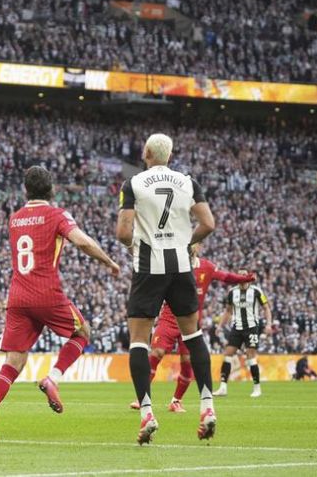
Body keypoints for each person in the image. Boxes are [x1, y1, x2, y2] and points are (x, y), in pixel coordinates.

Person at [0, 166, 120, 442]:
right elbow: (82, 242)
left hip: (17, 295)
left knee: (13, 361)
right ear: (51, 189)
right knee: (83, 332)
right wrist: (108, 262)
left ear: (25, 190)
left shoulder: (15, 219)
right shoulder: (56, 214)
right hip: (46, 292)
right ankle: (52, 377)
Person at [115, 133, 217, 444]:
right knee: (194, 335)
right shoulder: (188, 182)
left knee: (138, 341)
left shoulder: (133, 184)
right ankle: (208, 407)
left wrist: (136, 246)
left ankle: (147, 412)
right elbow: (208, 224)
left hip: (149, 267)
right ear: (170, 156)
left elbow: (123, 231)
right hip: (182, 267)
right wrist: (187, 242)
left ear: (146, 152)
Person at [129, 243, 255, 412]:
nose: (191, 246)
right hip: (168, 318)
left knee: (187, 361)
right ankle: (142, 397)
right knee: (156, 353)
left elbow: (226, 277)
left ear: (199, 247)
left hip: (190, 322)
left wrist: (245, 279)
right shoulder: (172, 263)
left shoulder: (206, 267)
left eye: (194, 243)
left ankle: (176, 401)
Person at [213, 276, 272, 398]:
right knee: (228, 354)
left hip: (251, 328)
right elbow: (228, 311)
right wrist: (220, 326)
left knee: (250, 355)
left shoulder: (256, 291)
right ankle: (223, 387)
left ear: (249, 279)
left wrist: (269, 324)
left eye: (244, 277)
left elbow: (266, 308)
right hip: (237, 327)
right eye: (239, 277)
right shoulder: (232, 292)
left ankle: (257, 388)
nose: (242, 280)